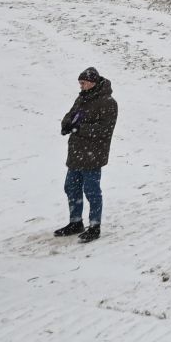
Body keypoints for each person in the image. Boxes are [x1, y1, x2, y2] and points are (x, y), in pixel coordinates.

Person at [55, 67, 116, 242]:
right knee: (71, 187)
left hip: (93, 154)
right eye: (80, 83)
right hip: (76, 152)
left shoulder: (108, 102)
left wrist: (79, 128)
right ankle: (75, 222)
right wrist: (66, 124)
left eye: (83, 83)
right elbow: (70, 115)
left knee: (92, 191)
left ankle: (94, 226)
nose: (81, 86)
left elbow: (105, 129)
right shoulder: (82, 98)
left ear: (93, 82)